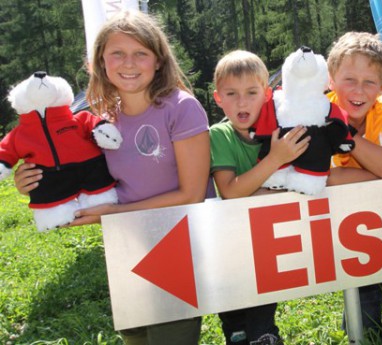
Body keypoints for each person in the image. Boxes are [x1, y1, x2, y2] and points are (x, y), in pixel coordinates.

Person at [14, 11, 212, 345]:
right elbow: (78, 175)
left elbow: (192, 194)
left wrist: (115, 214)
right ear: (101, 63)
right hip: (126, 246)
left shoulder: (182, 108)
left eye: (140, 53)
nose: (128, 63)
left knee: (170, 337)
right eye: (117, 53)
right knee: (135, 337)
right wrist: (32, 181)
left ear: (159, 61)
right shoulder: (100, 121)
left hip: (178, 245)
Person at [210, 50, 309, 344]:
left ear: (266, 95)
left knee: (262, 327)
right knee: (236, 329)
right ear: (218, 98)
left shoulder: (280, 131)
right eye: (232, 93)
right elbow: (230, 192)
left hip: (268, 249)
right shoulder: (219, 135)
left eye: (251, 92)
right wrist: (275, 159)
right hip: (229, 253)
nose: (242, 102)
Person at [326, 31, 382, 344]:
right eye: (349, 79)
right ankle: (362, 333)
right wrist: (381, 170)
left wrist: (346, 133)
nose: (359, 91)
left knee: (369, 276)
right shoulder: (318, 110)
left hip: (371, 218)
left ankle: (367, 332)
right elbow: (328, 179)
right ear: (331, 78)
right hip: (327, 219)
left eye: (369, 82)